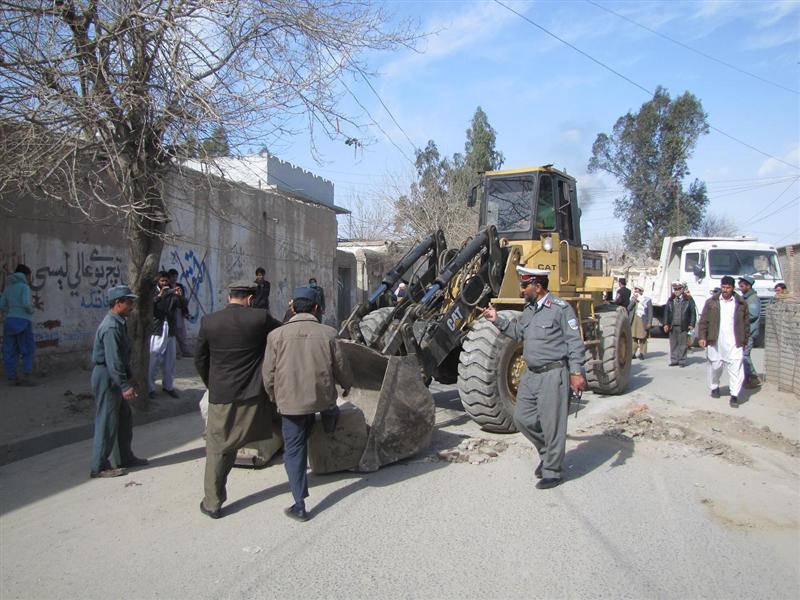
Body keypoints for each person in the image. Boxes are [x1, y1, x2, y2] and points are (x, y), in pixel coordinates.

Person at [481, 267, 586, 490]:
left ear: (537, 287)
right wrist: (496, 320)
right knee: (522, 418)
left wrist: (577, 372)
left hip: (553, 373)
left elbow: (575, 343)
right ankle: (548, 454)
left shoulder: (560, 309)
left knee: (552, 425)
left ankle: (553, 471)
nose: (521, 289)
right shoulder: (529, 310)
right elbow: (519, 333)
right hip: (531, 375)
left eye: (524, 285)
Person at [262, 287, 353, 521]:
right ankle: (329, 424)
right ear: (316, 308)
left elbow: (268, 374)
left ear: (292, 308)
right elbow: (341, 368)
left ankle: (299, 503)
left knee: (294, 450)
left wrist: (274, 397)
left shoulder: (276, 336)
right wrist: (346, 386)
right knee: (329, 408)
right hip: (322, 398)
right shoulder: (329, 333)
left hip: (290, 402)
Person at [195, 280, 282, 519]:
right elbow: (282, 336)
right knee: (239, 440)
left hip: (221, 395)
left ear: (228, 297)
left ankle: (212, 502)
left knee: (217, 447)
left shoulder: (209, 321)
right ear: (251, 299)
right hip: (253, 396)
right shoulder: (260, 319)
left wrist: (212, 384)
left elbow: (200, 360)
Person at [89, 285, 148, 478]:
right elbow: (113, 361)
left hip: (114, 374)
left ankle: (124, 457)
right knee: (107, 420)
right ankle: (99, 466)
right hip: (107, 376)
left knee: (123, 417)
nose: (132, 305)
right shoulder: (111, 327)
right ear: (117, 303)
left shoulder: (119, 322)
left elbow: (121, 358)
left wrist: (130, 378)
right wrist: (124, 385)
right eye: (129, 302)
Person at [697, 276, 749, 408]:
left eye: (728, 288)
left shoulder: (741, 303)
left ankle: (735, 396)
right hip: (716, 341)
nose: (725, 290)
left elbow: (746, 324)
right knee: (716, 366)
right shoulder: (712, 302)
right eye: (723, 287)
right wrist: (702, 337)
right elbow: (703, 321)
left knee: (736, 368)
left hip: (734, 342)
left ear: (733, 288)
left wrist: (745, 340)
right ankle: (714, 386)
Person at [1, 264, 36, 386]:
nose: (30, 278)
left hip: (9, 321)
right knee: (27, 349)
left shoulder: (8, 288)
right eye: (29, 275)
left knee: (10, 350)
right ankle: (27, 375)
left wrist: (11, 309)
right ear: (25, 275)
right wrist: (31, 310)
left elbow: (1, 305)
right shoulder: (24, 287)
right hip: (23, 321)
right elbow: (26, 304)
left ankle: (12, 377)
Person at [148, 271, 181, 399]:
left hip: (170, 330)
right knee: (154, 359)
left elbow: (182, 307)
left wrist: (179, 297)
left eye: (166, 281)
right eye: (162, 281)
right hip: (157, 330)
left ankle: (168, 386)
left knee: (170, 360)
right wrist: (159, 296)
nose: (164, 283)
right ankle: (150, 388)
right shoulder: (154, 293)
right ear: (158, 281)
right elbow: (150, 306)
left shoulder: (172, 293)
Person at [663, 281, 696, 367]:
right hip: (672, 325)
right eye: (675, 289)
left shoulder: (688, 299)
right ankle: (674, 360)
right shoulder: (671, 300)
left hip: (683, 325)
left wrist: (691, 324)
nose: (676, 291)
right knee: (673, 344)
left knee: (682, 344)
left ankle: (682, 361)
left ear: (682, 289)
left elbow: (693, 313)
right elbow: (666, 312)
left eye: (678, 289)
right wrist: (666, 324)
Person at [738, 275, 761, 388]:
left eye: (742, 285)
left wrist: (738, 316)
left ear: (748, 286)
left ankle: (753, 377)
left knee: (745, 355)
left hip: (750, 332)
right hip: (744, 332)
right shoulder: (745, 298)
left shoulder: (753, 299)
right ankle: (747, 378)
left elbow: (753, 315)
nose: (740, 287)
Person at [167, 268, 192, 358]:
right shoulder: (166, 287)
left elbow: (182, 299)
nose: (174, 279)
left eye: (176, 277)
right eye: (173, 277)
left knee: (181, 332)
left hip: (178, 310)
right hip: (169, 311)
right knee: (172, 332)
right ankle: (175, 353)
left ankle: (185, 351)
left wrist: (185, 312)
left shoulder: (179, 286)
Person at [628, 285, 652, 360]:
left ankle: (642, 353)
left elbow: (650, 312)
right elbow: (628, 308)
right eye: (635, 290)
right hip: (634, 320)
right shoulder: (633, 299)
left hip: (642, 320)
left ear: (641, 292)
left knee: (642, 337)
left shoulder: (647, 300)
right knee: (633, 337)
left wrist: (649, 322)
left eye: (638, 290)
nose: (636, 292)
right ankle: (632, 353)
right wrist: (633, 301)